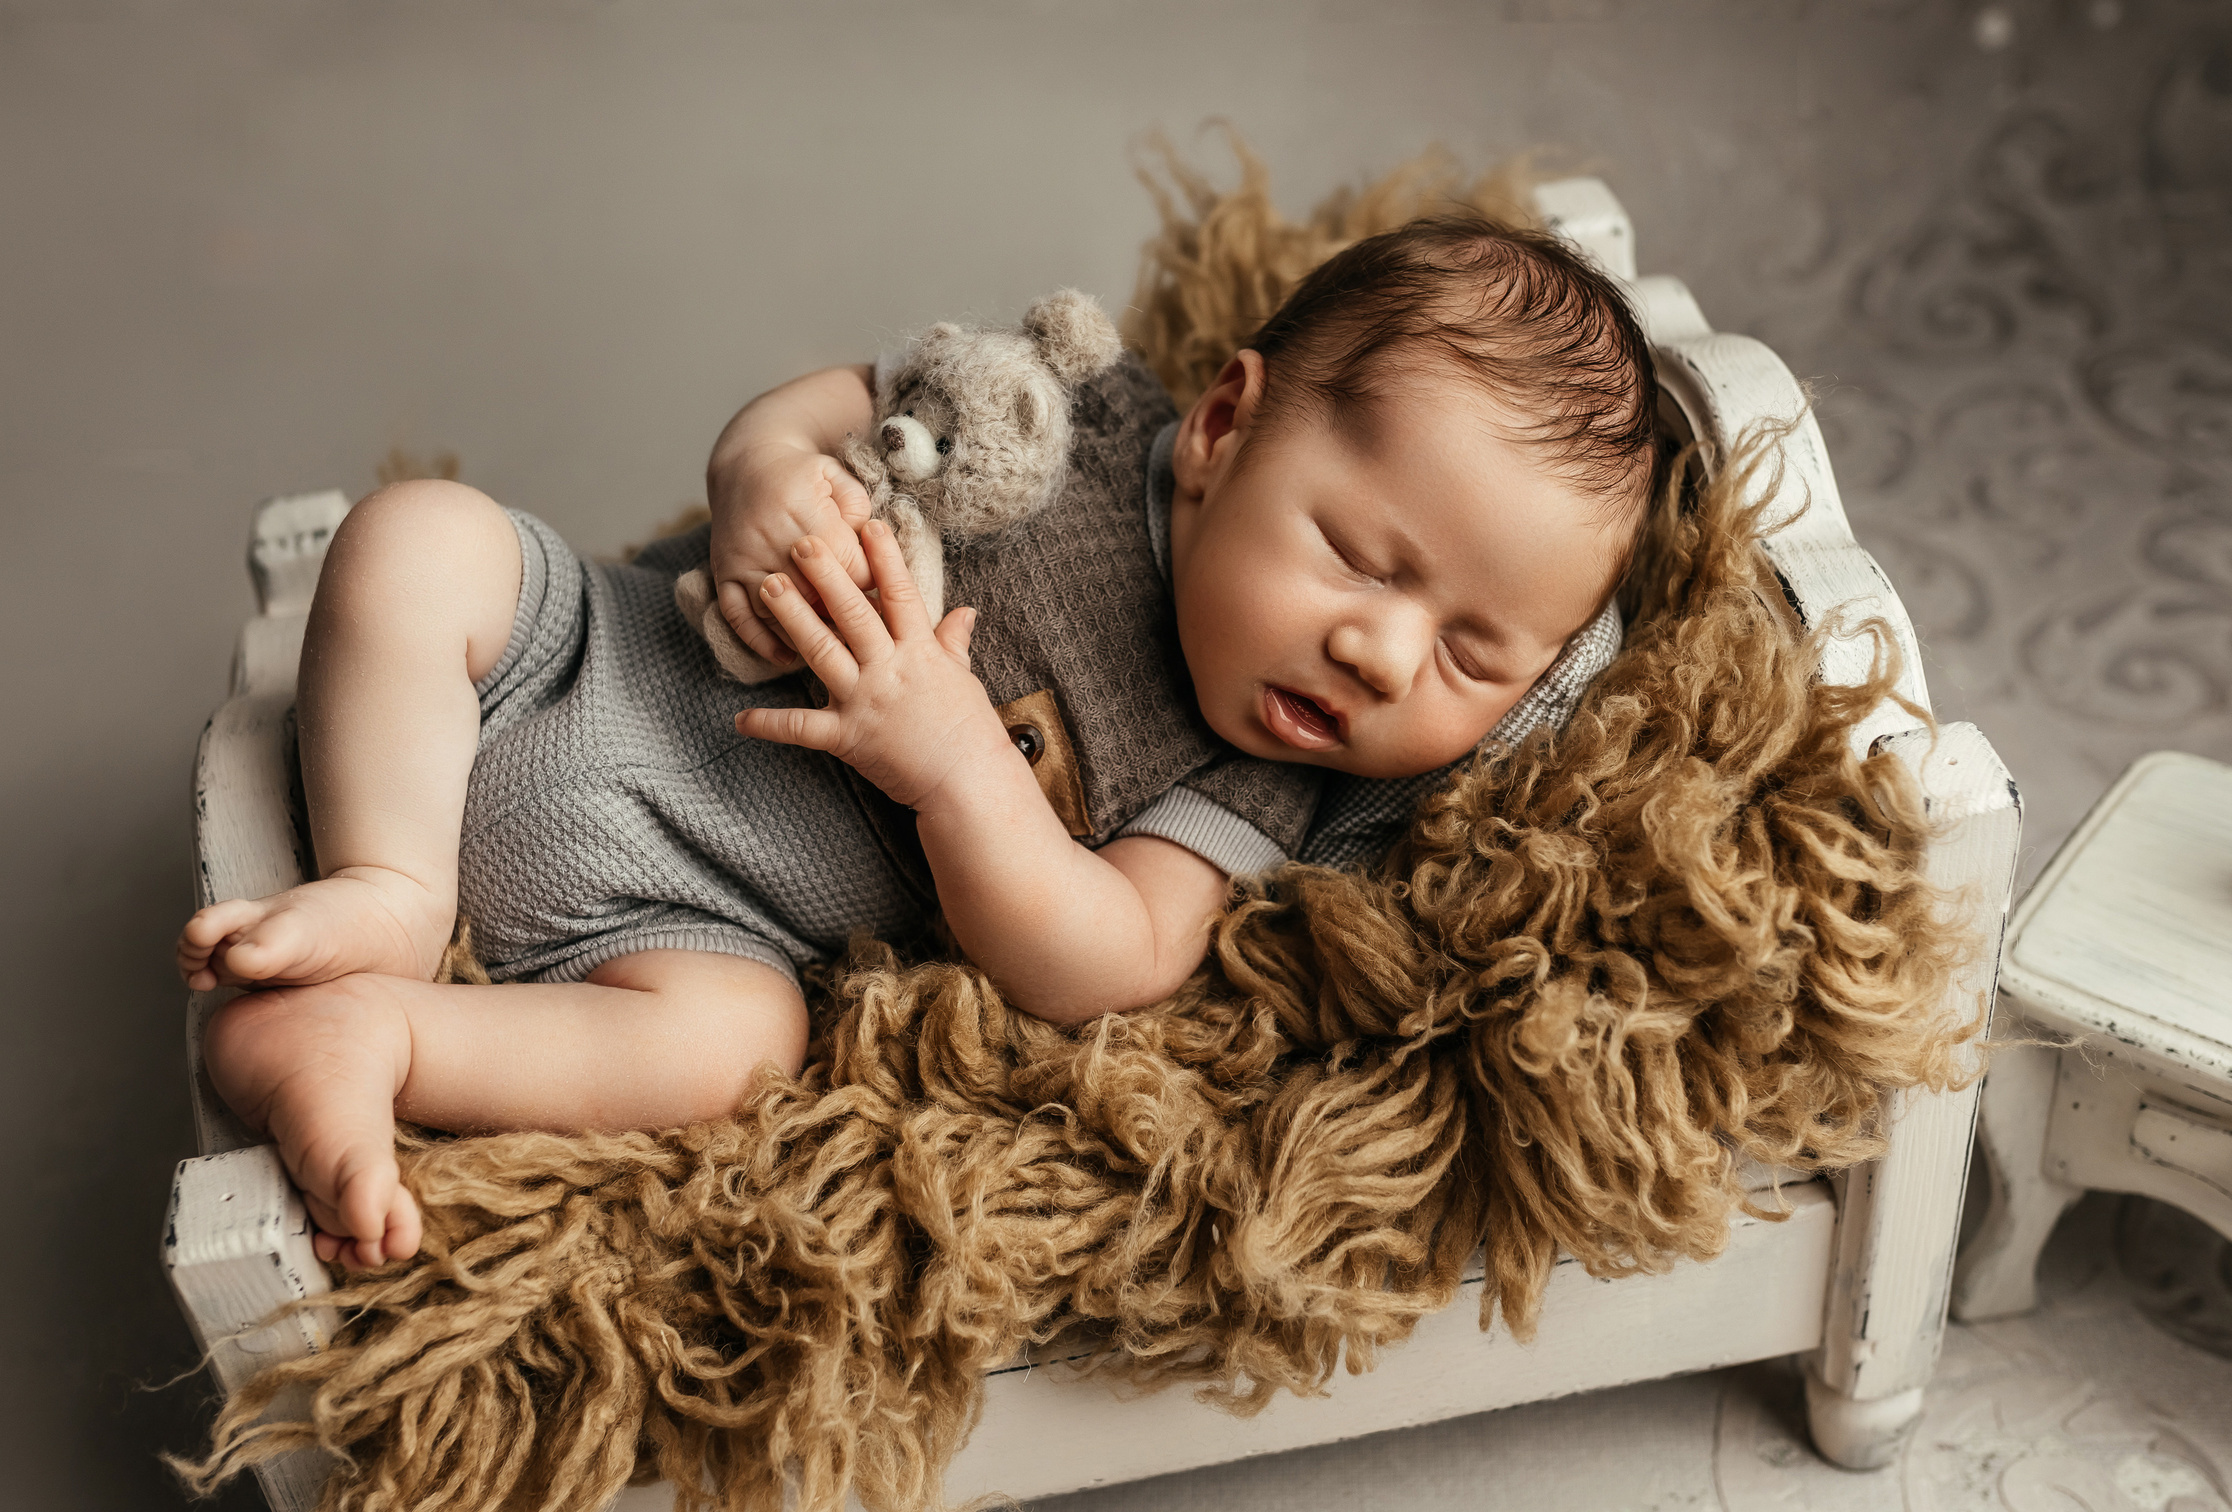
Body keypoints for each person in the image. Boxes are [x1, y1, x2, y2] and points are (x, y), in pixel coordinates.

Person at [173, 217, 1662, 1271]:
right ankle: (394, 883)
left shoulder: (1256, 778)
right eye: (1358, 555)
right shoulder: (1079, 415)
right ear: (1222, 428)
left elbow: (1116, 955)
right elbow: (845, 397)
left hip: (695, 922)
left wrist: (963, 772)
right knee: (421, 539)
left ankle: (379, 1034)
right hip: (587, 649)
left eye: (1476, 655)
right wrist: (763, 469)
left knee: (739, 1053)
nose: (1384, 655)